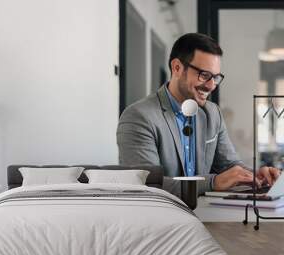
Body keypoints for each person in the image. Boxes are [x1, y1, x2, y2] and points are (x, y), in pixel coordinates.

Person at [116, 33, 280, 196]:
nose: (211, 86)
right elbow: (147, 185)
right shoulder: (138, 117)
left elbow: (229, 166)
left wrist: (256, 176)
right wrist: (212, 182)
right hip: (161, 217)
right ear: (177, 68)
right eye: (204, 75)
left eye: (215, 77)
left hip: (208, 213)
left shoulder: (212, 113)